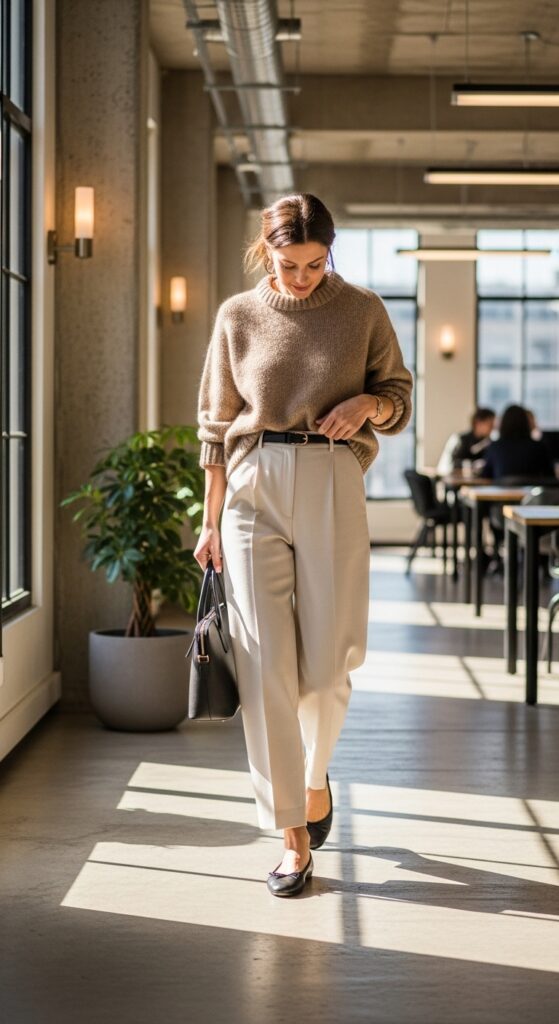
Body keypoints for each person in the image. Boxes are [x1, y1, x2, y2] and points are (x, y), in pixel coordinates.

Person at [193, 192, 413, 898]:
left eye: (315, 264)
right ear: (266, 252)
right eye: (288, 265)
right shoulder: (237, 316)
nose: (302, 279)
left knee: (331, 663)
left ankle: (313, 781)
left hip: (330, 473)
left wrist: (367, 406)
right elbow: (214, 427)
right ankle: (291, 835)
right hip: (252, 483)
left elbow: (398, 395)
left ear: (330, 251)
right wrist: (207, 522)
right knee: (263, 669)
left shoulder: (363, 310)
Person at [480, 404, 555, 481]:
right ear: (526, 423)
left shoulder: (494, 447)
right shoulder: (539, 447)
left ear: (503, 423)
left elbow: (485, 477)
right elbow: (550, 477)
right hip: (530, 492)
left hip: (502, 491)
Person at [436, 407, 495, 475]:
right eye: (490, 425)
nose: (492, 428)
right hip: (451, 479)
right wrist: (472, 464)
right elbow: (451, 464)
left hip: (473, 481)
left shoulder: (487, 442)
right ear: (478, 423)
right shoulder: (460, 439)